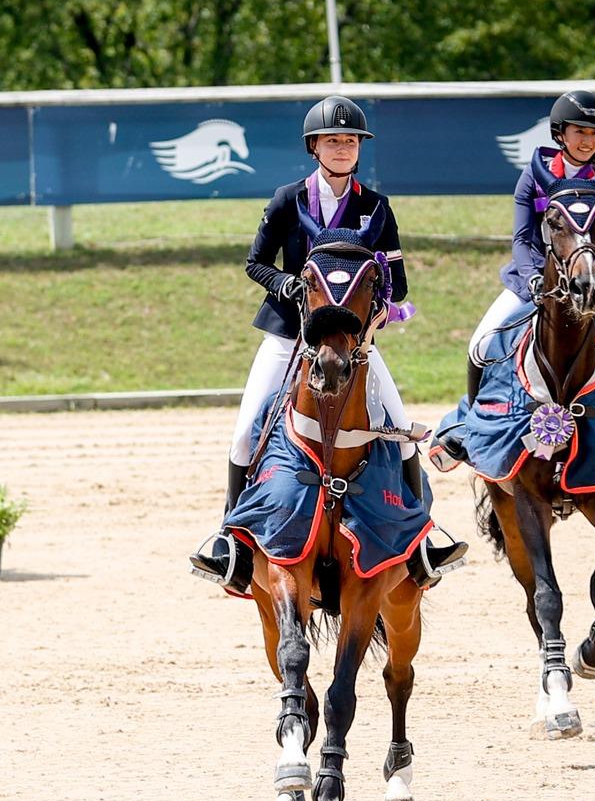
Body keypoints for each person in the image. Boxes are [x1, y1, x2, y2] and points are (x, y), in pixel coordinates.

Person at [191, 95, 465, 589]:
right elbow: (255, 263)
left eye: (351, 141)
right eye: (333, 140)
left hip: (352, 340)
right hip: (289, 333)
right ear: (314, 146)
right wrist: (286, 285)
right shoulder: (286, 199)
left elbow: (397, 284)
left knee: (399, 426)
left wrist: (376, 308)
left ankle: (422, 539)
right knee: (246, 429)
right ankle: (230, 538)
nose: (343, 148)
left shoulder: (375, 207)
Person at [451, 89, 595, 468]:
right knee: (480, 344)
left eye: (594, 133)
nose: (587, 140)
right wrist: (533, 282)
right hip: (536, 282)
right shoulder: (533, 177)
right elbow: (522, 239)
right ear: (560, 134)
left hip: (589, 283)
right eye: (579, 131)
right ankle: (470, 429)